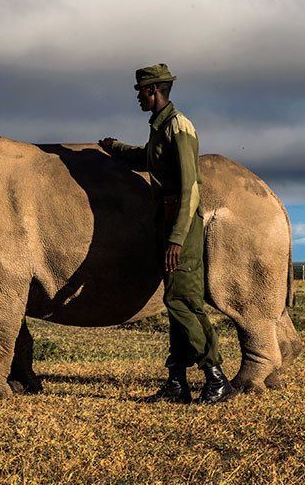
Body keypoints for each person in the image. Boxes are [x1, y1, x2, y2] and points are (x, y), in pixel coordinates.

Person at [99, 63, 236, 405]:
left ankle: (216, 378)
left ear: (153, 91)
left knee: (183, 300)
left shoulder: (179, 127)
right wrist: (116, 147)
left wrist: (177, 238)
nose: (138, 98)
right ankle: (177, 382)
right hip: (167, 219)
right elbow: (149, 159)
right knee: (174, 302)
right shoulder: (159, 128)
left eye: (140, 92)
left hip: (182, 224)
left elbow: (191, 186)